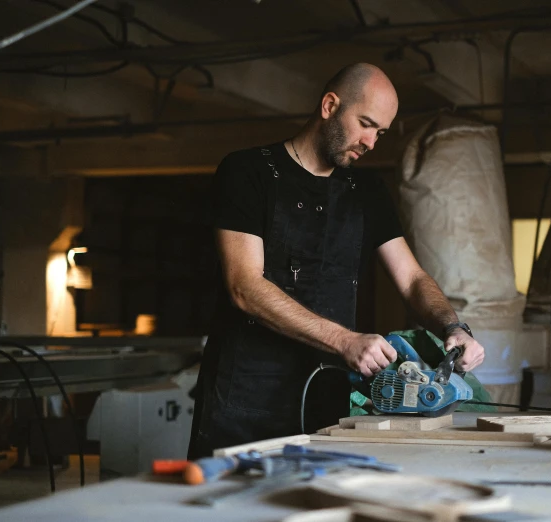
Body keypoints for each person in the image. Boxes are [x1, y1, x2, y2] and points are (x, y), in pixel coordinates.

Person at [188, 63, 485, 458]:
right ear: (330, 105)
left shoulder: (367, 191)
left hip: (327, 401)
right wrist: (344, 340)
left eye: (379, 132)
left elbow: (412, 278)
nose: (371, 142)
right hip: (245, 399)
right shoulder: (247, 172)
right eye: (365, 124)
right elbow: (245, 286)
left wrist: (453, 326)